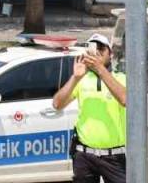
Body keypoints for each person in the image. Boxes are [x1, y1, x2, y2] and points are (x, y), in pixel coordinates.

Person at [52, 33, 127, 183]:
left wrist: (100, 69)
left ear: (110, 54)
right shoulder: (82, 79)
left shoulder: (120, 78)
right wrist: (75, 77)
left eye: (101, 48)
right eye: (93, 48)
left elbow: (125, 99)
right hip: (84, 154)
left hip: (114, 156)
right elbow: (57, 104)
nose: (97, 52)